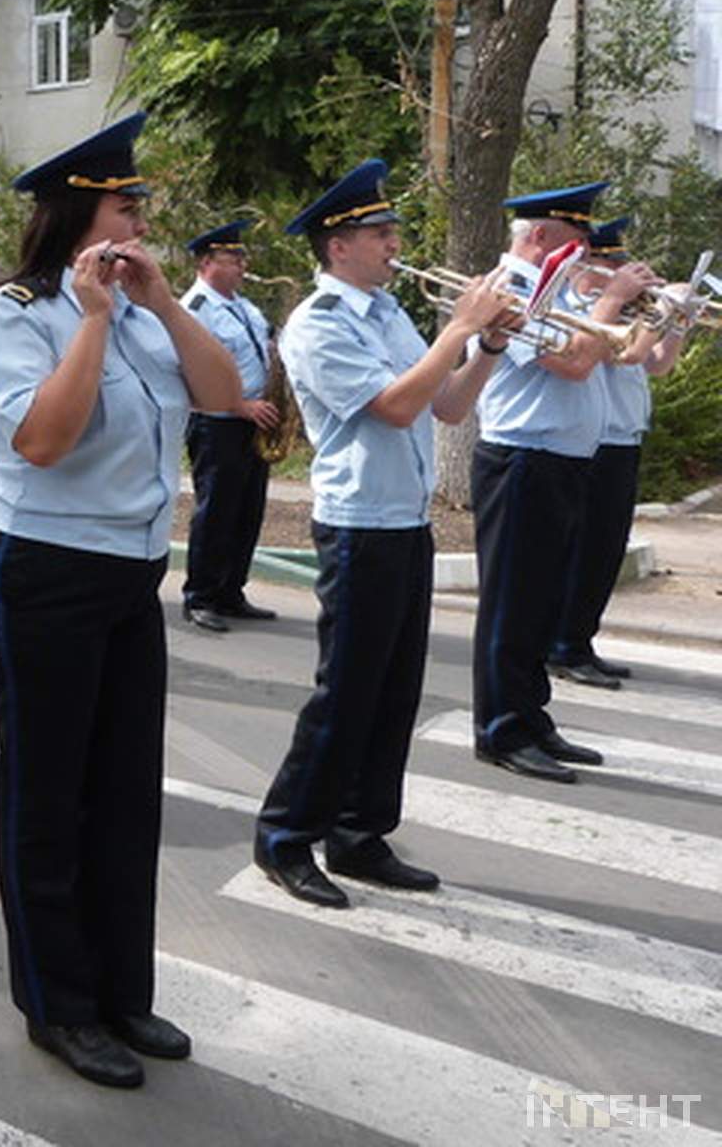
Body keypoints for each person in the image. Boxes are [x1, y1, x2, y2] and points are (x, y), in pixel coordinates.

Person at [0, 113, 240, 1090]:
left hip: (129, 576)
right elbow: (41, 441)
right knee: (49, 798)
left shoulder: (142, 310)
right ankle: (59, 1006)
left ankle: (123, 991)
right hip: (38, 572)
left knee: (123, 798)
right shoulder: (15, 312)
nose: (140, 223)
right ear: (82, 217)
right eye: (127, 207)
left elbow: (222, 393)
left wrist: (161, 305)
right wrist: (86, 321)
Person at [252, 161, 517, 911]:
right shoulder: (319, 324)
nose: (395, 242)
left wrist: (487, 348)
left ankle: (360, 833)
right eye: (381, 232)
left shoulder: (389, 312)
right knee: (346, 693)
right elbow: (395, 408)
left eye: (391, 229)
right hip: (359, 524)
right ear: (338, 247)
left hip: (406, 521)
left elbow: (448, 408)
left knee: (394, 691)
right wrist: (461, 327)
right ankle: (284, 836)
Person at [470, 183, 657, 783]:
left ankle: (530, 717)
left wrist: (642, 311)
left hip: (561, 461)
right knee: (512, 604)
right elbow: (575, 362)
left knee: (542, 600)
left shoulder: (555, 290)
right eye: (578, 241)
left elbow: (611, 356)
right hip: (523, 459)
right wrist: (616, 298)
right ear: (542, 237)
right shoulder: (510, 291)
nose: (587, 254)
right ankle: (500, 728)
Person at [548, 216, 686, 688]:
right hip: (598, 442)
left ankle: (580, 641)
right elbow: (623, 354)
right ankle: (563, 644)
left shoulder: (623, 313)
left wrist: (677, 322)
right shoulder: (586, 312)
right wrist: (660, 311)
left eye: (623, 261)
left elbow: (658, 364)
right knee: (586, 550)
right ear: (589, 264)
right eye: (613, 262)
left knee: (605, 552)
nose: (622, 269)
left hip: (624, 440)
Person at [177, 219, 280, 631]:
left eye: (242, 256)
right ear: (206, 263)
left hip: (255, 421)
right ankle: (200, 596)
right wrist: (238, 405)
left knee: (247, 511)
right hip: (219, 423)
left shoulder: (244, 307)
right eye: (232, 257)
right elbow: (188, 374)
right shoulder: (195, 311)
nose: (242, 263)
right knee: (216, 512)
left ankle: (231, 590)